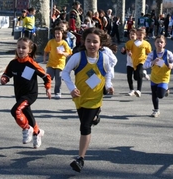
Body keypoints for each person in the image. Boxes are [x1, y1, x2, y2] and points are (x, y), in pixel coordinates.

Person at [62, 28, 114, 173]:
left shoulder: (104, 58)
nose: (92, 44)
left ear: (101, 43)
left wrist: (108, 85)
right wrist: (72, 88)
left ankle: (80, 159)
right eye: (88, 41)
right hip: (80, 98)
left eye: (95, 42)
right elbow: (65, 72)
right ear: (83, 42)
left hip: (95, 98)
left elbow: (108, 72)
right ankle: (96, 116)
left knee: (85, 127)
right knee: (84, 122)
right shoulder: (77, 57)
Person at [0, 37, 52, 148]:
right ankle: (37, 132)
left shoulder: (32, 64)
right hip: (19, 94)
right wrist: (4, 79)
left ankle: (27, 128)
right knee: (27, 113)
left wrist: (48, 88)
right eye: (19, 47)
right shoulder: (13, 63)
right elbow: (6, 74)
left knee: (15, 110)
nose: (21, 50)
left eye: (24, 48)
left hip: (30, 94)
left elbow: (46, 76)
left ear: (29, 50)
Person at [143, 35, 173, 117]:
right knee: (154, 94)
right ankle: (156, 110)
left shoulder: (168, 53)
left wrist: (172, 65)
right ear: (154, 43)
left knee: (160, 95)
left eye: (161, 42)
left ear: (165, 44)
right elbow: (145, 65)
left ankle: (165, 90)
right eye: (157, 42)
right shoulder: (152, 54)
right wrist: (152, 62)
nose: (159, 44)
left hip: (164, 78)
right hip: (154, 77)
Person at [43, 26, 72, 99]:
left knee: (58, 78)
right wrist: (44, 59)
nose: (57, 35)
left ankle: (57, 92)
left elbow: (69, 53)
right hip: (51, 63)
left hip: (60, 64)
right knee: (48, 77)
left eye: (59, 33)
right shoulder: (51, 42)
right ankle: (48, 89)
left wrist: (62, 53)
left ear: (62, 34)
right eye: (56, 33)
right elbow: (46, 50)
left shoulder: (64, 43)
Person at [125, 28, 152, 97]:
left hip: (142, 61)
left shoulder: (146, 44)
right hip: (133, 62)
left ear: (144, 35)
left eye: (140, 35)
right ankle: (143, 74)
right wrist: (128, 52)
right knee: (135, 77)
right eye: (137, 35)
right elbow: (127, 49)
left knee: (139, 74)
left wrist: (150, 60)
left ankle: (139, 90)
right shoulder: (131, 42)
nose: (139, 36)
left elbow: (149, 53)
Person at [121, 28, 137, 95]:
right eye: (131, 34)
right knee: (129, 76)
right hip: (129, 63)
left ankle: (142, 73)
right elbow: (125, 51)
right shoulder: (127, 43)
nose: (132, 35)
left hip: (137, 63)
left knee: (136, 77)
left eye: (133, 34)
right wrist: (123, 51)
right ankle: (131, 89)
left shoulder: (138, 43)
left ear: (136, 35)